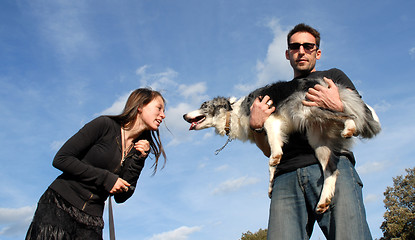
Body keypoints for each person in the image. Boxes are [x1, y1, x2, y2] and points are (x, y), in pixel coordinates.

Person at [249, 23, 373, 239]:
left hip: (333, 167)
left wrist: (340, 107)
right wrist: (257, 127)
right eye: (295, 47)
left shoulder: (332, 77)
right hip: (286, 177)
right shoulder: (275, 93)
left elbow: (367, 122)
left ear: (318, 51)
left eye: (308, 46)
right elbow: (269, 151)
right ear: (287, 54)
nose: (301, 51)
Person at [26, 88, 167, 240]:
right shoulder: (104, 125)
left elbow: (122, 196)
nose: (163, 115)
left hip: (92, 220)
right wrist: (106, 179)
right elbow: (61, 158)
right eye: (159, 108)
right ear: (140, 106)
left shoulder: (139, 148)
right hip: (59, 206)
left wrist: (139, 159)